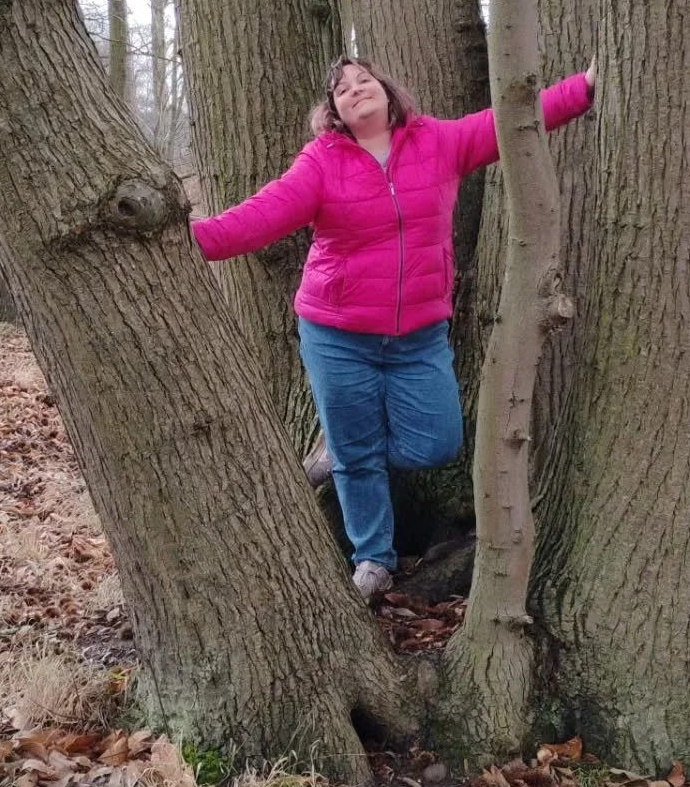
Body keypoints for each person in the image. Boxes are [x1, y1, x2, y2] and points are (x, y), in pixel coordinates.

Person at [191, 57, 595, 600]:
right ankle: (373, 560)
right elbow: (258, 217)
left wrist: (585, 89)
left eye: (365, 81)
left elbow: (512, 120)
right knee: (358, 458)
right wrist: (186, 240)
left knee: (436, 442)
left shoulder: (439, 142)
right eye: (342, 89)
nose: (356, 90)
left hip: (419, 336)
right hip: (337, 334)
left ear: (386, 91)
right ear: (333, 111)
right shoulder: (322, 163)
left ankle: (345, 449)